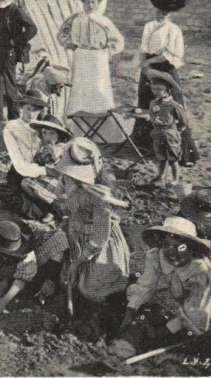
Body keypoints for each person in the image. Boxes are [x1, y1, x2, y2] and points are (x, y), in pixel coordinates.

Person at [110, 216, 211, 358]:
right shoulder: (156, 256)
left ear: (191, 248)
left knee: (181, 333)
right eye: (167, 244)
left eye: (180, 247)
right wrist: (129, 314)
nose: (172, 251)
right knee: (147, 312)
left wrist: (165, 332)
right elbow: (145, 286)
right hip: (191, 302)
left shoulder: (201, 270)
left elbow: (197, 311)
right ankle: (128, 343)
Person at [56, 138, 130, 332]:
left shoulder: (99, 198)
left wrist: (78, 262)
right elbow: (66, 206)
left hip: (99, 245)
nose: (71, 178)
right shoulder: (67, 181)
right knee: (66, 280)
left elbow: (99, 237)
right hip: (76, 237)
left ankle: (99, 315)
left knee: (93, 290)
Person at [131, 0, 199, 166]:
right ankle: (146, 147)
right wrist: (144, 66)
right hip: (148, 68)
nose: (159, 14)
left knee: (171, 106)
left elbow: (174, 53)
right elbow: (144, 48)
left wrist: (150, 63)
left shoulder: (173, 29)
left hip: (165, 68)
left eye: (164, 12)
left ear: (170, 14)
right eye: (157, 10)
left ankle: (182, 152)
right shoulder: (148, 26)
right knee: (146, 103)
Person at [59, 0, 125, 142]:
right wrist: (71, 45)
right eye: (86, 2)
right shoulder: (76, 19)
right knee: (81, 91)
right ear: (82, 2)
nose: (89, 5)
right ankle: (78, 130)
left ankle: (103, 133)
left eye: (93, 2)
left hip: (98, 58)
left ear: (98, 3)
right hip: (81, 57)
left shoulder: (104, 21)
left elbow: (118, 40)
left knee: (98, 89)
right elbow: (62, 34)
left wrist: (106, 51)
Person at [0, 214, 68, 317]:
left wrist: (4, 301)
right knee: (1, 278)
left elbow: (22, 278)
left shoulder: (25, 249)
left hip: (39, 253)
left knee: (59, 240)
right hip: (7, 266)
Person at [141, 69, 188, 186]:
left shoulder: (174, 105)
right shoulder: (153, 103)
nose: (155, 92)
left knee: (173, 158)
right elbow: (152, 115)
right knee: (161, 157)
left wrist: (177, 131)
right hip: (157, 133)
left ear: (167, 91)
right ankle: (161, 176)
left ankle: (175, 179)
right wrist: (153, 120)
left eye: (159, 89)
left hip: (170, 133)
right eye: (153, 89)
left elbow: (183, 121)